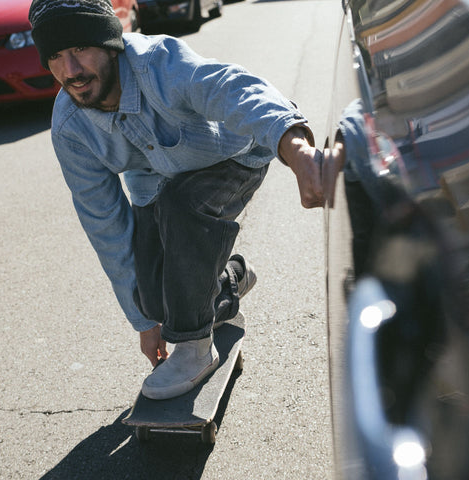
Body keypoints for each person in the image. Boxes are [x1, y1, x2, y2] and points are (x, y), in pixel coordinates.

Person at [28, 0, 340, 400]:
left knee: (183, 206)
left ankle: (194, 348)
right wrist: (145, 322)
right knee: (153, 300)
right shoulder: (71, 129)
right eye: (55, 56)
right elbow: (103, 222)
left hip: (231, 158)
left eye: (79, 50)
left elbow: (232, 89)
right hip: (158, 183)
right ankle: (229, 279)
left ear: (108, 43)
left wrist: (296, 151)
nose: (69, 71)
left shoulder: (158, 64)